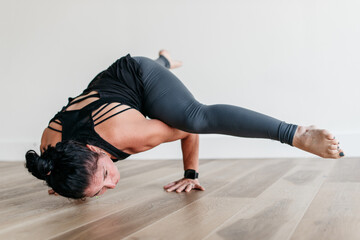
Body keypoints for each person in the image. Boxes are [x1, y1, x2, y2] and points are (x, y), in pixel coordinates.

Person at [25, 50, 344, 199]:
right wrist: (68, 186)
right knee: (171, 104)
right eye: (101, 190)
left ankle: (296, 134)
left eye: (107, 174)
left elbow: (191, 128)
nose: (113, 183)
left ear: (95, 149)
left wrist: (190, 174)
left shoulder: (127, 136)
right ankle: (165, 60)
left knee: (193, 115)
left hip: (138, 75)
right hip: (109, 86)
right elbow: (64, 173)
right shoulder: (50, 154)